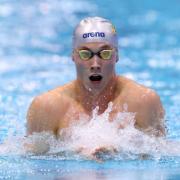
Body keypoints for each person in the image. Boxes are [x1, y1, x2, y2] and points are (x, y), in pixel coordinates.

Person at [26, 17, 166, 140]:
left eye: (104, 53)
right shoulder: (47, 108)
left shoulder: (143, 102)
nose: (95, 64)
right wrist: (77, 153)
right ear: (73, 56)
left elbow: (161, 157)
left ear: (116, 55)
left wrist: (116, 152)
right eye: (85, 54)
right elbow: (34, 164)